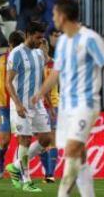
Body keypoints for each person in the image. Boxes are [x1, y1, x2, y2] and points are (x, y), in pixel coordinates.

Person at [32, 0, 104, 197]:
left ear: (64, 15)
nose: (52, 17)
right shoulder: (62, 42)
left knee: (71, 150)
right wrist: (40, 92)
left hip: (86, 104)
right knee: (80, 156)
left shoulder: (90, 39)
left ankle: (62, 194)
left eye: (54, 13)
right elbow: (56, 73)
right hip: (66, 108)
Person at [5, 21, 51, 193]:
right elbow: (8, 82)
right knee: (24, 141)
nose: (40, 41)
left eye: (42, 37)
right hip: (21, 104)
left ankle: (15, 166)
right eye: (38, 37)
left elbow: (40, 80)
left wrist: (50, 103)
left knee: (46, 139)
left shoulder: (39, 54)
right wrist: (17, 104)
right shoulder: (16, 54)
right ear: (28, 34)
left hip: (37, 104)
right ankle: (27, 181)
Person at [0, 31, 24, 178]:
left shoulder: (25, 59)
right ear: (9, 45)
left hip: (18, 105)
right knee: (5, 139)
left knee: (22, 139)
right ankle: (1, 161)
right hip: (3, 105)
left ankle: (18, 168)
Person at [38, 38, 59, 184]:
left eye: (43, 46)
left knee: (52, 140)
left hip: (53, 106)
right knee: (42, 142)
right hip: (39, 107)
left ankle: (50, 174)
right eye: (38, 47)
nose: (41, 49)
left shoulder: (55, 64)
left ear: (46, 47)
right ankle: (47, 172)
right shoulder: (35, 65)